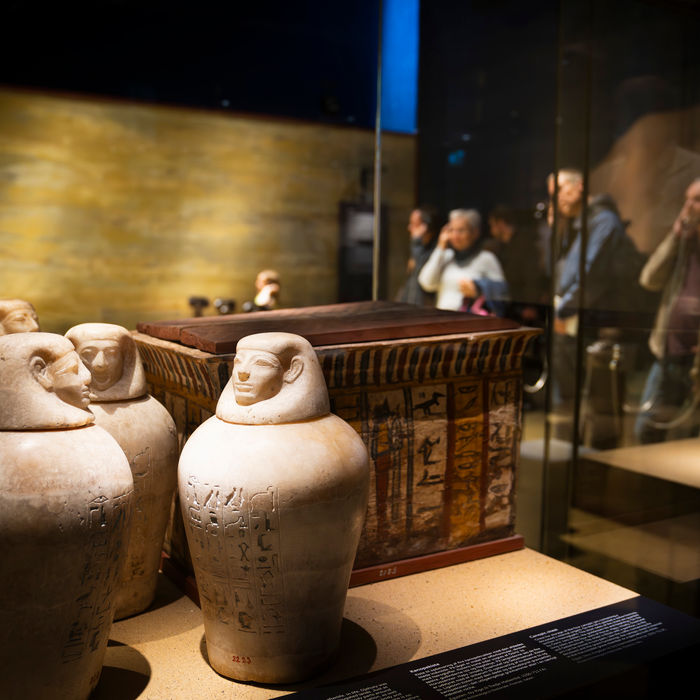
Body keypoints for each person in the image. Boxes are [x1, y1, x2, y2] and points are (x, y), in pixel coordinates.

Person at [634, 178, 700, 444]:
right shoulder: (685, 246)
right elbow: (649, 278)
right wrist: (675, 238)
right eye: (686, 200)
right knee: (647, 430)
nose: (688, 208)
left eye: (696, 200)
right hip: (669, 352)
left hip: (696, 361)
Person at [418, 208, 508, 314]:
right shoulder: (446, 256)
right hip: (443, 320)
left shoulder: (486, 258)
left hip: (472, 323)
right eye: (451, 230)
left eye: (461, 230)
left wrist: (479, 288)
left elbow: (504, 292)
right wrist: (440, 248)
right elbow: (427, 283)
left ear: (475, 232)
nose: (455, 236)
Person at [484, 205, 547, 324]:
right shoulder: (503, 246)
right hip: (512, 304)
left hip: (524, 307)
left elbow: (532, 275)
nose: (491, 229)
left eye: (492, 224)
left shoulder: (524, 244)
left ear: (501, 223)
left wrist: (531, 305)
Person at [395, 206, 438, 306]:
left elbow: (421, 272)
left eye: (414, 224)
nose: (409, 228)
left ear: (426, 227)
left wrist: (416, 242)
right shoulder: (417, 249)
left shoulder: (436, 251)